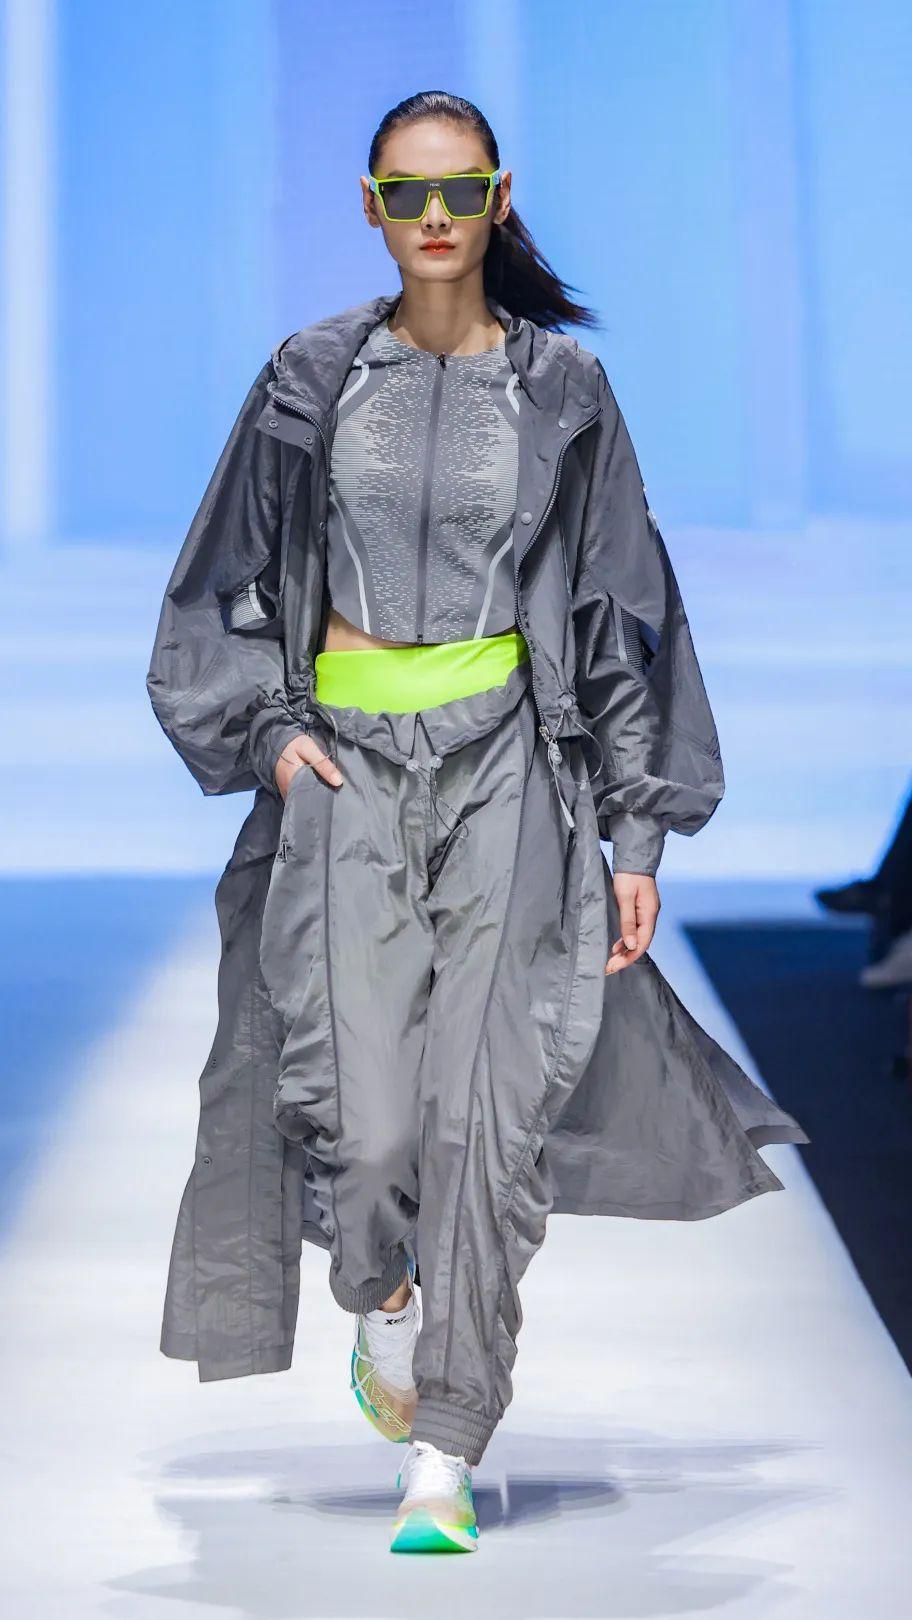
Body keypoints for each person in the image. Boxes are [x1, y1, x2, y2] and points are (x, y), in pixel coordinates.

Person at [147, 90, 807, 1557]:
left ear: (499, 199)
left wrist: (637, 836)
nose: (435, 218)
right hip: (347, 778)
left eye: (460, 192)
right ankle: (383, 1300)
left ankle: (447, 1441)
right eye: (408, 194)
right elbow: (221, 579)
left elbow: (625, 609)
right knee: (366, 1122)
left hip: (512, 765)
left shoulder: (564, 389)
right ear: (372, 207)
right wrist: (270, 735)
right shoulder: (310, 375)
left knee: (481, 1115)